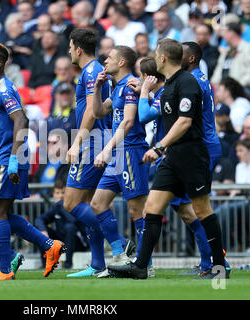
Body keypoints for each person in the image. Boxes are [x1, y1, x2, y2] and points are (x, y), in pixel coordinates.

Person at [109, 39, 228, 279]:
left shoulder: (188, 83)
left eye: (156, 53)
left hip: (191, 155)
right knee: (151, 209)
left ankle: (219, 267)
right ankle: (141, 267)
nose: (154, 56)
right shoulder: (170, 86)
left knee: (202, 209)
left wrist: (159, 146)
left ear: (162, 58)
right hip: (173, 156)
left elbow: (184, 121)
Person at [0, 42, 65, 280]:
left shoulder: (4, 89)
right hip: (5, 155)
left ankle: (5, 269)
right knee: (0, 211)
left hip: (9, 156)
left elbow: (21, 121)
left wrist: (13, 159)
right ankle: (49, 245)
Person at [64, 29, 133, 278]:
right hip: (98, 141)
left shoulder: (92, 71)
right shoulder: (91, 71)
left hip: (92, 141)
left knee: (71, 203)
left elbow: (93, 112)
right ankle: (97, 263)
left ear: (79, 48)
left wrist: (77, 141)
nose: (69, 51)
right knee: (90, 204)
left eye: (71, 47)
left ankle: (120, 242)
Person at [89, 45, 149, 278]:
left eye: (110, 58)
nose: (104, 61)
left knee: (137, 210)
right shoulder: (115, 87)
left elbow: (129, 121)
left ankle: (145, 264)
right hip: (118, 153)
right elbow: (98, 113)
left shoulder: (132, 85)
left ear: (122, 62)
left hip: (131, 151)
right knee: (97, 203)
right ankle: (122, 251)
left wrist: (106, 150)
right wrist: (96, 88)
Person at [35, 179, 88, 269]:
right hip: (62, 240)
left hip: (78, 243)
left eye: (63, 193)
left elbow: (74, 221)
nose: (60, 196)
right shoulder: (56, 207)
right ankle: (45, 264)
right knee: (40, 232)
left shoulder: (75, 205)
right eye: (58, 193)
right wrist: (43, 230)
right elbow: (39, 220)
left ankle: (68, 264)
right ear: (54, 194)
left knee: (69, 228)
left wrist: (62, 206)